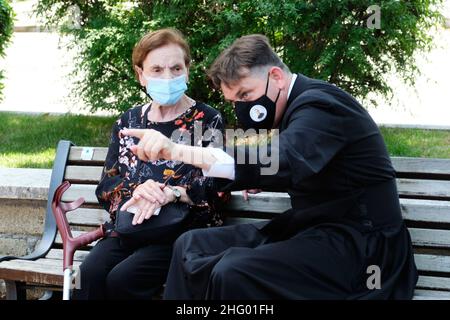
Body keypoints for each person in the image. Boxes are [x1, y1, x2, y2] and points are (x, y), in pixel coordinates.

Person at [121, 34, 418, 299]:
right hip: (315, 230)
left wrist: (175, 150)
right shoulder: (295, 108)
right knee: (190, 244)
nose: (242, 107)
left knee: (234, 271)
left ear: (276, 76)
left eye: (245, 95)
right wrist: (260, 176)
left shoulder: (321, 104)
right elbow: (298, 163)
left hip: (363, 247)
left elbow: (286, 158)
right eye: (234, 100)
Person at [72, 28, 225, 300]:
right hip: (131, 229)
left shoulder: (207, 120)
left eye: (176, 68)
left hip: (181, 234)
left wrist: (171, 193)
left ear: (187, 70)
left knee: (124, 279)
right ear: (140, 74)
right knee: (88, 275)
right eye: (156, 69)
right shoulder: (128, 121)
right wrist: (140, 190)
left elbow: (216, 187)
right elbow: (107, 185)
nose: (168, 77)